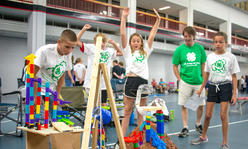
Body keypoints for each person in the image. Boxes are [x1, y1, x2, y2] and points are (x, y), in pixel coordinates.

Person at [191, 32, 240, 149]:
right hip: (212, 86)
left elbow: (234, 77)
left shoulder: (231, 57)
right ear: (214, 43)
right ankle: (203, 136)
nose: (218, 44)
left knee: (223, 115)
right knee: (208, 115)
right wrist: (201, 88)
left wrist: (234, 94)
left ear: (226, 43)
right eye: (216, 42)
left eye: (221, 42)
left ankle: (224, 142)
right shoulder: (210, 57)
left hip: (225, 86)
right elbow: (206, 75)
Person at [120, 7, 161, 137]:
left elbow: (152, 34)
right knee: (127, 111)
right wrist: (124, 17)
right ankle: (122, 138)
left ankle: (140, 137)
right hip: (131, 81)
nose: (136, 43)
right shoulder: (127, 52)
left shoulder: (145, 51)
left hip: (143, 82)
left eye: (138, 41)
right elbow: (122, 34)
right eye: (133, 41)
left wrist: (158, 20)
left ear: (141, 43)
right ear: (131, 43)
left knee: (141, 111)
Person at [33, 29, 77, 123]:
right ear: (59, 42)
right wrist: (36, 95)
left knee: (58, 119)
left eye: (73, 48)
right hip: (37, 89)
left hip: (51, 91)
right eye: (67, 47)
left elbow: (62, 75)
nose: (69, 50)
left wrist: (57, 95)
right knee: (39, 121)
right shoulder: (44, 51)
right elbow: (32, 73)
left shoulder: (68, 54)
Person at [76, 24, 123, 107]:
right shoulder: (90, 48)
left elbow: (121, 53)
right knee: (93, 104)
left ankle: (102, 120)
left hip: (104, 83)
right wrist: (83, 29)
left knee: (103, 104)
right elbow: (76, 41)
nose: (102, 44)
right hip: (92, 81)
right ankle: (92, 119)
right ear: (95, 43)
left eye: (104, 42)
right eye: (100, 42)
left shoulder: (109, 50)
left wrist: (114, 43)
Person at [172, 26, 207, 137]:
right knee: (184, 105)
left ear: (194, 36)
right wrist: (180, 80)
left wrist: (204, 81)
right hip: (185, 81)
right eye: (185, 36)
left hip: (198, 82)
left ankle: (198, 123)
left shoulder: (200, 48)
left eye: (189, 36)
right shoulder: (179, 50)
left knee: (201, 105)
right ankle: (185, 127)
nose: (187, 38)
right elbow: (174, 66)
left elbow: (203, 65)